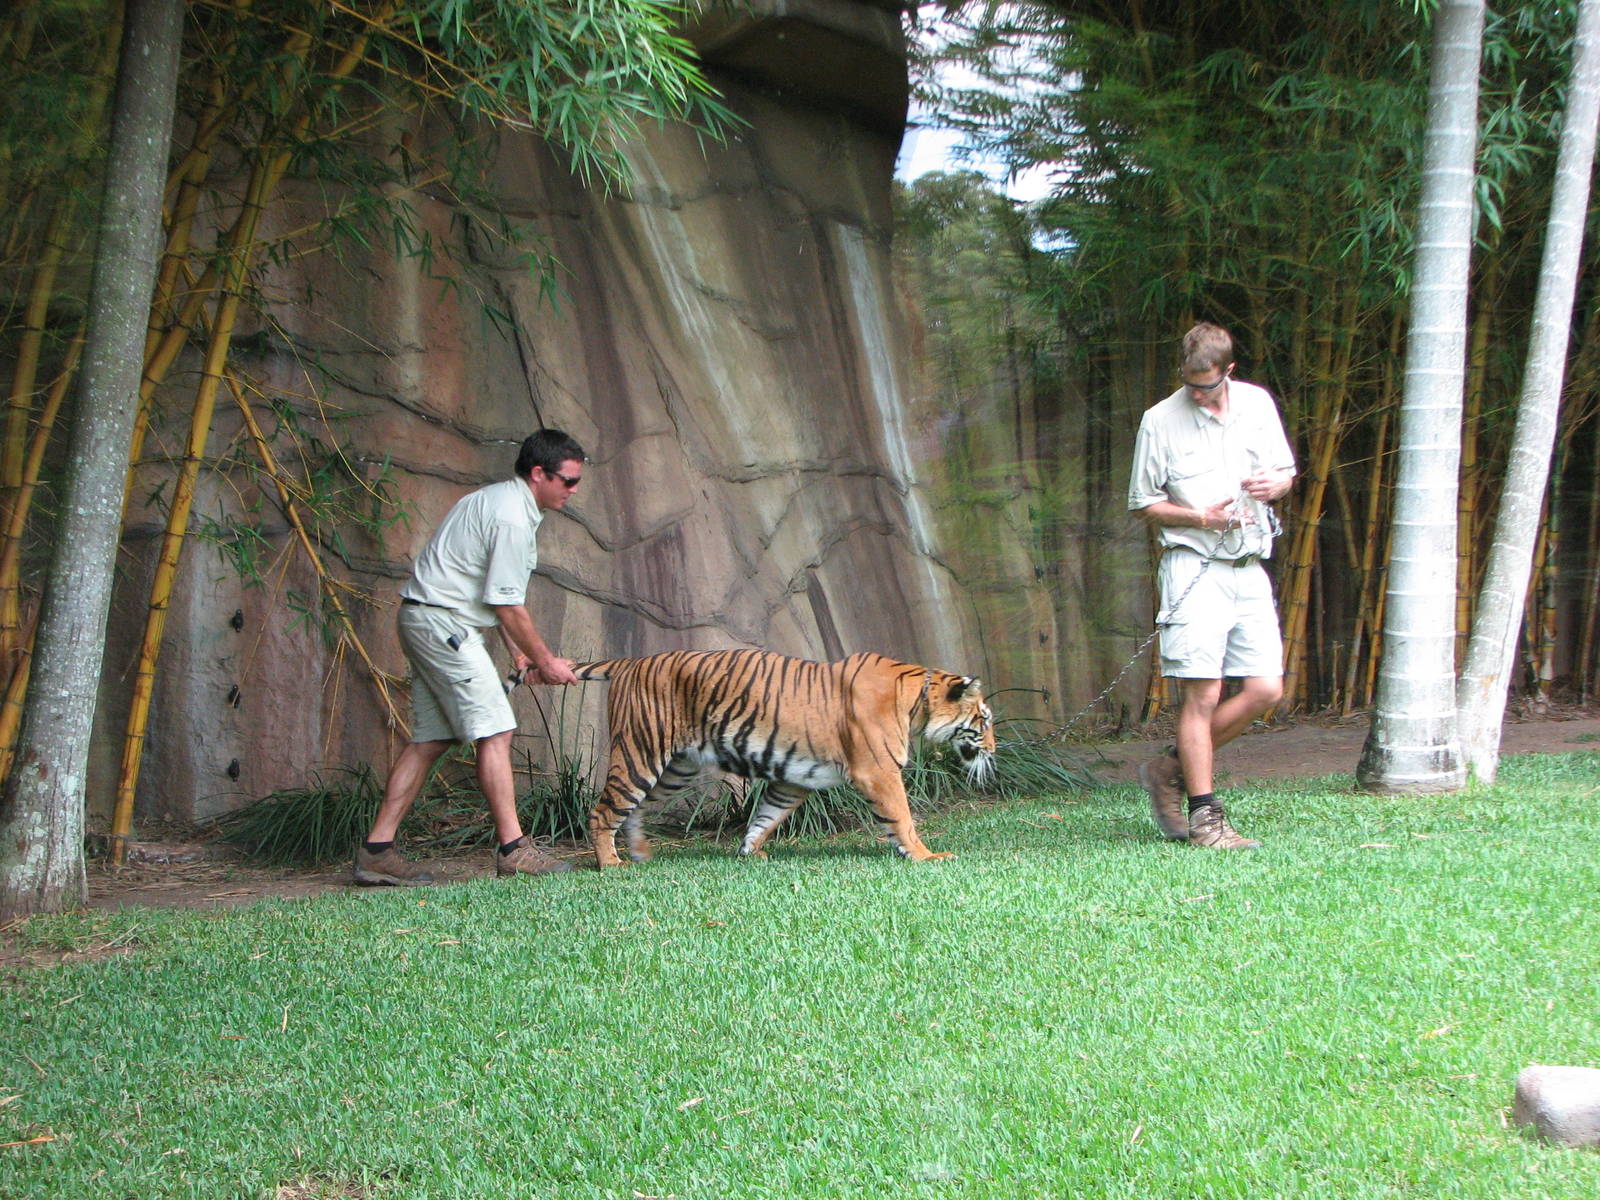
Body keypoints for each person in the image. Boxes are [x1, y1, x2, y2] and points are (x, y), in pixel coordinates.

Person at [353, 429, 587, 885]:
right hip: (445, 627)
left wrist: (519, 654)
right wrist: (544, 661)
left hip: (425, 619)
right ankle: (514, 850)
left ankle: (376, 851)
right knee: (497, 731)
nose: (574, 491)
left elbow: (490, 589)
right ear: (539, 474)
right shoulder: (512, 518)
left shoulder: (498, 500)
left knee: (431, 740)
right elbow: (506, 604)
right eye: (568, 481)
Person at [1126, 323, 1296, 849]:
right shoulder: (1159, 420)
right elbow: (1143, 502)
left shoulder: (1258, 404)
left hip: (1249, 566)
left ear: (1229, 371)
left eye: (1207, 385)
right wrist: (1198, 516)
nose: (1197, 393)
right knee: (1203, 693)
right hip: (1193, 565)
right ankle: (1206, 818)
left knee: (1267, 688)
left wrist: (1276, 485)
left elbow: (1286, 472)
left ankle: (1168, 769)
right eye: (1190, 383)